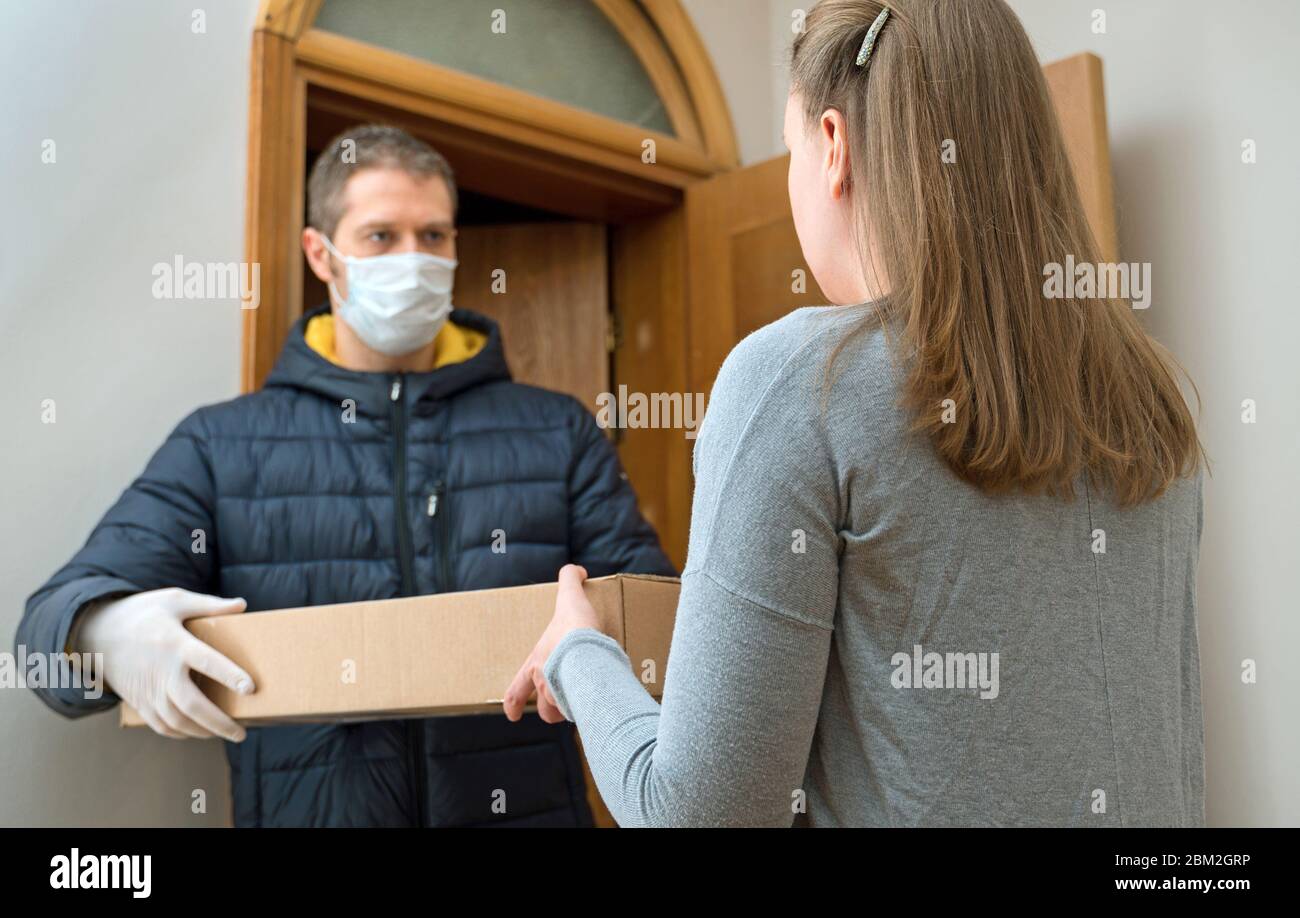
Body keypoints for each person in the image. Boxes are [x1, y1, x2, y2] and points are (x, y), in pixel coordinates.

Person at [506, 0, 1207, 827]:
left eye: (792, 149)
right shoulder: (1147, 398)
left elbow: (696, 814)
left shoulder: (799, 383)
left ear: (832, 147)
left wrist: (579, 656)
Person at [17, 124, 674, 827]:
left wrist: (602, 638)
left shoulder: (557, 430)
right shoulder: (222, 443)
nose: (414, 260)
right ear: (320, 254)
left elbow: (667, 633)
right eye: (382, 237)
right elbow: (43, 637)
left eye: (434, 237)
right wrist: (103, 632)